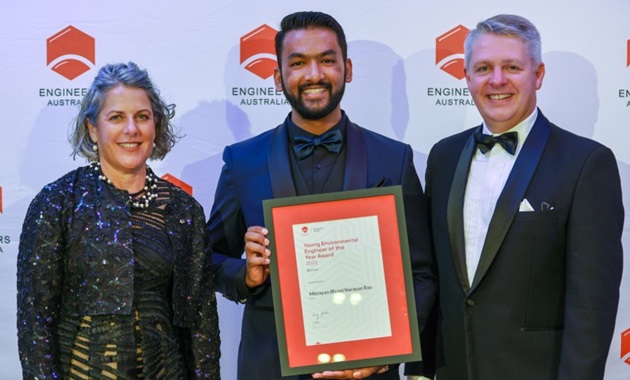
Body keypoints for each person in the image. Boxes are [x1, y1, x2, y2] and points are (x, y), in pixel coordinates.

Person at [207, 11, 436, 380]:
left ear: (347, 68)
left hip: (369, 370)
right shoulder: (242, 161)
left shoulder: (394, 159)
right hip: (270, 367)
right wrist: (246, 275)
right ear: (279, 77)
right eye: (298, 63)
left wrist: (387, 355)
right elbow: (210, 258)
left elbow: (421, 274)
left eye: (326, 60)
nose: (314, 75)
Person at [425, 14, 624, 380]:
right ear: (466, 77)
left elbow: (591, 306)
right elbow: (434, 277)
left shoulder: (586, 164)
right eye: (483, 68)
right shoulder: (443, 156)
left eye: (512, 67)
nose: (496, 80)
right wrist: (421, 369)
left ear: (538, 75)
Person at [17, 62, 220, 379]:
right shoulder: (57, 204)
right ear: (92, 129)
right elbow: (35, 322)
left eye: (142, 116)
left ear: (156, 125)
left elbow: (200, 324)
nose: (132, 130)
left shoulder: (183, 210)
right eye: (116, 117)